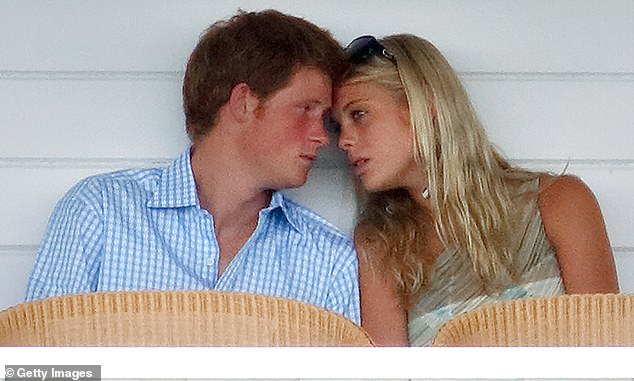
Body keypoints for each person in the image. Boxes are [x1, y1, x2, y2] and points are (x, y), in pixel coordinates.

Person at [25, 10, 360, 324]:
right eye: (305, 109)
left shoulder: (328, 261)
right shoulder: (100, 212)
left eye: (325, 120)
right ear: (244, 101)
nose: (322, 137)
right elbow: (41, 364)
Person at [332, 34, 619, 344]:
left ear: (423, 105)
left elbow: (606, 353)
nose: (343, 140)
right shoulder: (381, 245)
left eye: (359, 114)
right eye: (338, 126)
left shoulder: (560, 203)